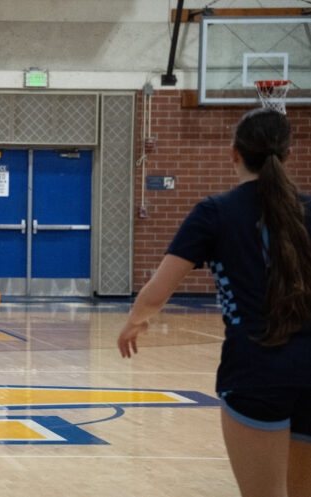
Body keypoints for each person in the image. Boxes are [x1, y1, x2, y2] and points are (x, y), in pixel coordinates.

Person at [117, 108, 311, 497]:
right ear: (289, 155)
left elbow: (158, 289)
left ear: (234, 153)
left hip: (256, 369)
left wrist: (136, 320)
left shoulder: (215, 214)